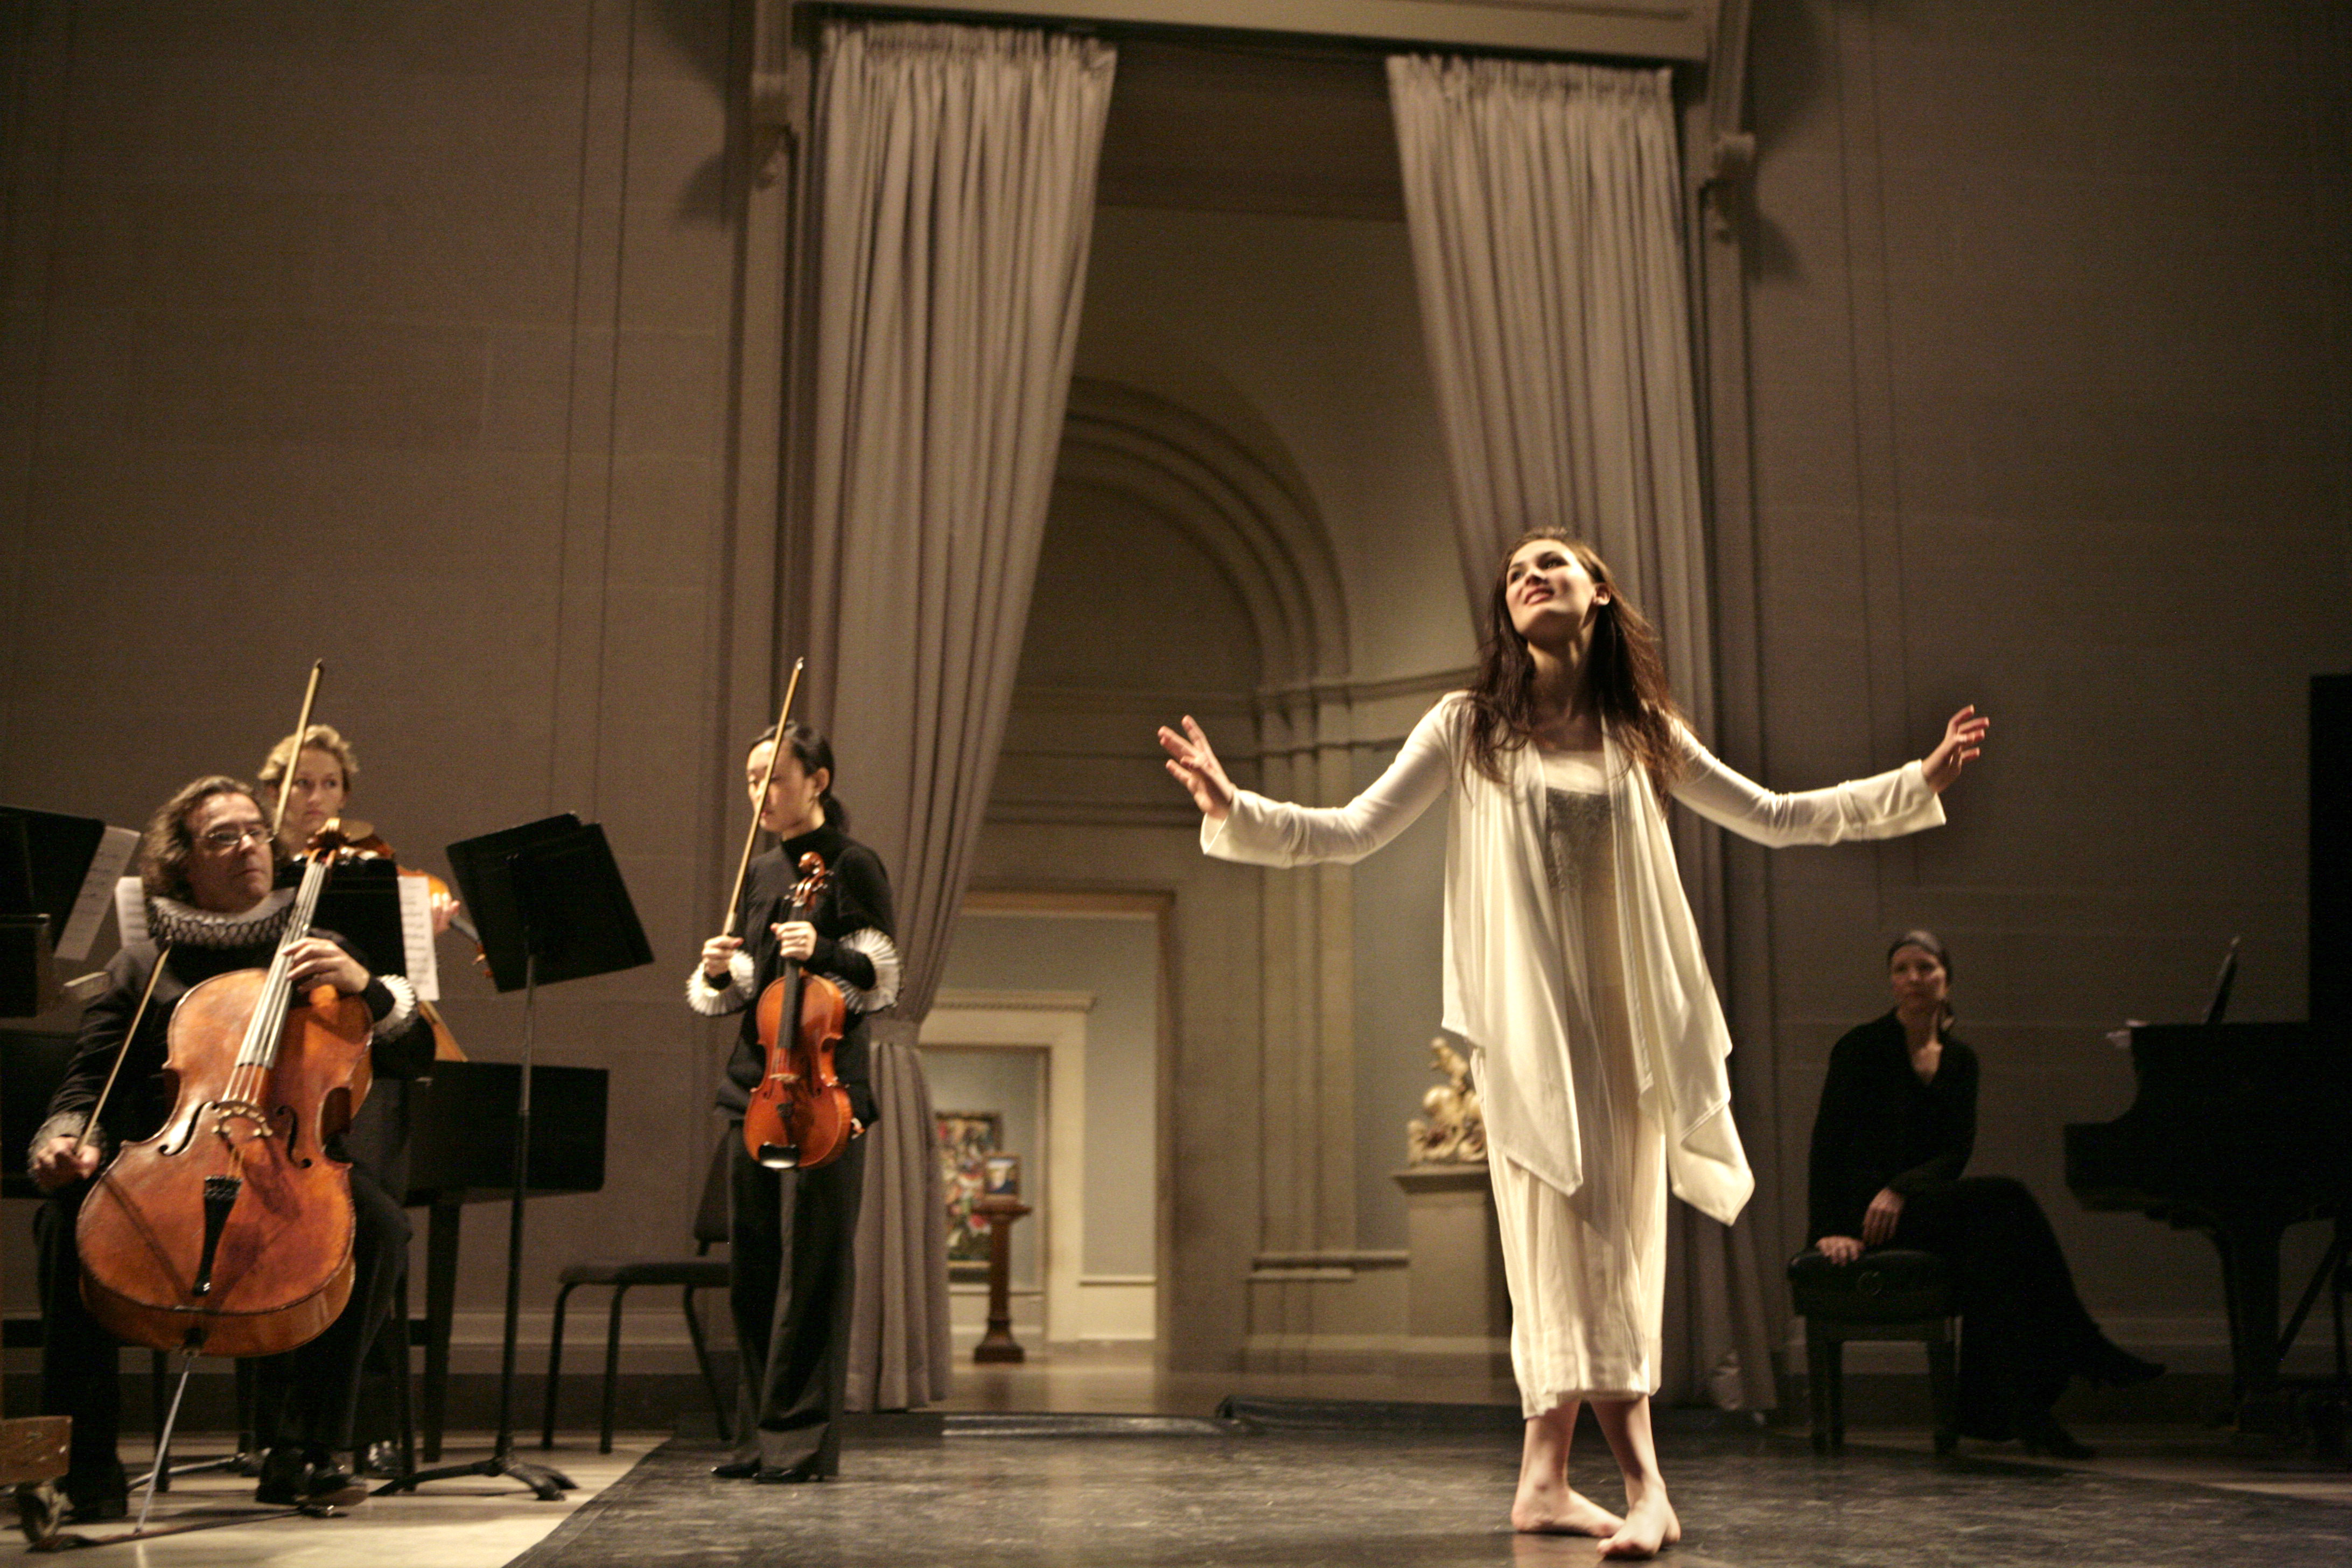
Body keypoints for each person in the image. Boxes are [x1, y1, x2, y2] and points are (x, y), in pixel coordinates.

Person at [1159, 530, 1989, 1558]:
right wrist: (1233, 807)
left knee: (1607, 1254)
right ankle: (1628, 1487)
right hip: (1527, 1040)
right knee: (1558, 1255)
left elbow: (1775, 814)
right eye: (1515, 571)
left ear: (1597, 591)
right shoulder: (1467, 727)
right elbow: (1351, 829)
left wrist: (1914, 781)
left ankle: (1551, 1482)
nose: (1529, 577)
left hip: (1623, 1037)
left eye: (1551, 563)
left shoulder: (1640, 732)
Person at [25, 777, 434, 1517]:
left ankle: (304, 1449)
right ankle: (81, 1468)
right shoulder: (144, 963)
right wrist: (65, 1137)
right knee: (63, 1220)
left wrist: (369, 988)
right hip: (168, 1164)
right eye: (223, 836)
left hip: (283, 1160)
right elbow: (87, 1082)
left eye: (255, 832)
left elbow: (416, 1056)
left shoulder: (319, 952)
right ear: (182, 862)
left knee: (376, 1227)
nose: (249, 845)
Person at [1808, 930, 2162, 1459]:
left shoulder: (1960, 1059)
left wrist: (1901, 1189)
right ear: (1891, 981)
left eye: (1925, 967)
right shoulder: (1860, 1047)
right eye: (1901, 969)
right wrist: (1828, 1229)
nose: (1913, 978)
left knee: (1993, 1260)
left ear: (1947, 980)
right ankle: (2081, 1348)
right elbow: (1827, 1143)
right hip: (1864, 1216)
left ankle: (2022, 1413)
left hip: (1920, 1208)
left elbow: (1956, 1151)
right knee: (2007, 1200)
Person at [687, 721, 898, 1483]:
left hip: (827, 1094)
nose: (761, 792)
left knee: (812, 1270)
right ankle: (754, 1437)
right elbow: (752, 987)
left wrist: (829, 950)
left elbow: (882, 980)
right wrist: (721, 970)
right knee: (754, 1272)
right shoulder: (760, 870)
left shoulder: (853, 864)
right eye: (753, 779)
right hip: (756, 1087)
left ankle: (799, 1440)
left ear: (818, 781)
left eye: (775, 776)